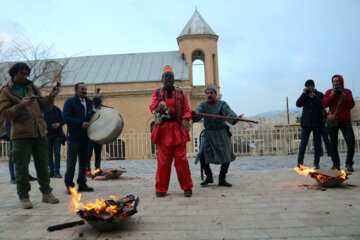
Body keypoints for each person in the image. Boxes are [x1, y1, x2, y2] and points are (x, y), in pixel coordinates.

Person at [0, 62, 60, 209]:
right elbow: (5, 114)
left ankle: (46, 193)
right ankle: (24, 196)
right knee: (21, 167)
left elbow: (45, 106)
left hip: (40, 132)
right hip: (21, 134)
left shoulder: (32, 87)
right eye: (22, 73)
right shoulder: (5, 91)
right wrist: (21, 105)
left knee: (43, 165)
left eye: (27, 73)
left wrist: (51, 96)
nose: (25, 76)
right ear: (14, 73)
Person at [150, 65, 193, 197]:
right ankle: (161, 189)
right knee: (163, 162)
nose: (169, 79)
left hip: (178, 129)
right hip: (163, 130)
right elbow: (152, 108)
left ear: (174, 79)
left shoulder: (181, 94)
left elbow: (186, 109)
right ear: (162, 79)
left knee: (182, 161)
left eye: (171, 77)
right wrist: (159, 104)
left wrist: (186, 118)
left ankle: (187, 187)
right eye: (166, 76)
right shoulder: (157, 93)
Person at [192, 85, 243, 187]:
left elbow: (229, 114)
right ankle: (209, 176)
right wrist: (194, 114)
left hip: (221, 133)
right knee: (202, 154)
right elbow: (198, 114)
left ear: (215, 94)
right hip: (208, 133)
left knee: (226, 155)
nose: (209, 95)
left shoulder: (222, 104)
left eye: (211, 93)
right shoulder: (203, 105)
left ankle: (222, 178)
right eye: (207, 93)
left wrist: (235, 118)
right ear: (205, 95)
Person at [63, 82, 94, 193]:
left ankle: (82, 184)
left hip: (86, 137)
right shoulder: (70, 102)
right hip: (74, 137)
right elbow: (66, 117)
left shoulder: (89, 102)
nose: (84, 90)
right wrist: (80, 123)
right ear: (76, 90)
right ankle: (70, 186)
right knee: (71, 163)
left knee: (84, 162)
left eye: (85, 88)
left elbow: (92, 117)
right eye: (82, 89)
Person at [322, 75, 355, 172]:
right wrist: (332, 95)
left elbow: (351, 105)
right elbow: (324, 104)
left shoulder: (347, 91)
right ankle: (336, 164)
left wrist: (344, 96)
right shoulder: (329, 92)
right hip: (332, 121)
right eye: (333, 81)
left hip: (345, 120)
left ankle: (349, 163)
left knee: (351, 142)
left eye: (337, 81)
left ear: (341, 82)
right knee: (333, 144)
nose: (335, 83)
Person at [296, 79, 324, 169]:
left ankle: (316, 163)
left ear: (314, 86)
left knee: (317, 144)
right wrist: (303, 94)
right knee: (303, 143)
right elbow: (298, 104)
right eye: (307, 86)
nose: (309, 88)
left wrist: (314, 97)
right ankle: (300, 163)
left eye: (310, 86)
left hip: (317, 123)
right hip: (306, 124)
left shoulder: (319, 94)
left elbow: (322, 105)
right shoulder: (305, 95)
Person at [44, 105, 64, 178]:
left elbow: (63, 120)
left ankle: (57, 171)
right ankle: (51, 171)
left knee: (57, 153)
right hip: (47, 135)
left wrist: (59, 124)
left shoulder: (57, 110)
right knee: (48, 154)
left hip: (57, 135)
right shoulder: (43, 110)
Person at [86, 97, 103, 174]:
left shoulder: (101, 111)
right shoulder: (89, 111)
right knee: (88, 153)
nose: (97, 107)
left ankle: (97, 168)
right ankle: (88, 170)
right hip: (90, 135)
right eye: (96, 105)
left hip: (99, 135)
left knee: (98, 153)